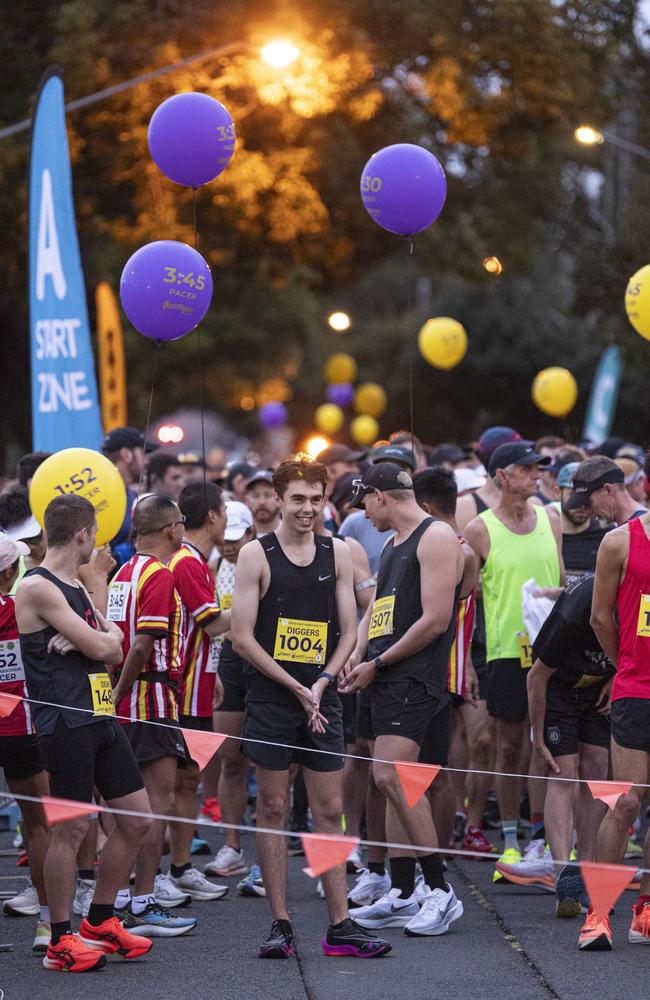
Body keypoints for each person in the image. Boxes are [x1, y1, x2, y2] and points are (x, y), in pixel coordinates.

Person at [232, 457, 390, 959]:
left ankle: (340, 924)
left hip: (322, 696)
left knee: (330, 808)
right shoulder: (255, 555)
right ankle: (280, 923)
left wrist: (322, 682)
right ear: (278, 500)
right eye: (297, 498)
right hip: (273, 695)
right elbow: (240, 637)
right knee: (274, 807)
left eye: (315, 498)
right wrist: (295, 687)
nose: (306, 508)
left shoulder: (338, 551)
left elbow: (349, 630)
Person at [15, 494, 152, 973]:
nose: (97, 539)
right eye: (94, 531)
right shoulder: (37, 586)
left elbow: (114, 640)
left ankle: (100, 920)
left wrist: (91, 638)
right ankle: (59, 940)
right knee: (72, 830)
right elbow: (106, 644)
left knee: (137, 819)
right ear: (81, 533)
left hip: (99, 716)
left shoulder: (74, 581)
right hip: (64, 723)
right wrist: (92, 638)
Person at [340, 462, 465, 937]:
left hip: (412, 677)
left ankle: (440, 891)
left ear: (379, 496)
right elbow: (376, 610)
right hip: (383, 676)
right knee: (391, 783)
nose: (364, 516)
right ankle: (403, 889)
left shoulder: (435, 537)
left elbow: (435, 620)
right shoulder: (393, 544)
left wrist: (379, 663)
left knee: (390, 776)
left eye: (365, 504)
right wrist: (355, 656)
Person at [464, 442, 565, 880]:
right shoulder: (479, 528)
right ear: (501, 475)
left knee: (550, 748)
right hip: (507, 651)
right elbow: (465, 601)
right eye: (526, 469)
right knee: (509, 748)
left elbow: (561, 581)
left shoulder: (552, 517)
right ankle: (508, 840)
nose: (536, 475)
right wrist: (467, 662)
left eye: (538, 468)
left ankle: (541, 837)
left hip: (554, 649)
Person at [108, 494, 197, 937]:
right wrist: (120, 694)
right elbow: (142, 646)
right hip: (150, 702)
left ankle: (121, 900)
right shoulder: (159, 574)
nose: (184, 529)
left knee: (124, 807)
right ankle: (142, 902)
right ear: (172, 530)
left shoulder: (122, 572)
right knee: (154, 805)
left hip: (127, 703)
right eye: (182, 522)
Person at [577, 501, 650, 950]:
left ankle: (645, 911)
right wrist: (626, 660)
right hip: (635, 689)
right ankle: (598, 913)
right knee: (625, 801)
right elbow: (599, 616)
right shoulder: (619, 541)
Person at [516, 573, 612, 914]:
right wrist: (538, 736)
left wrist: (615, 678)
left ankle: (586, 870)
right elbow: (535, 677)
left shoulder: (636, 601)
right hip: (557, 686)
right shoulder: (575, 613)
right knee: (563, 769)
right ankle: (563, 876)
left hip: (596, 688)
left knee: (597, 768)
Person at [167, 482, 231, 900]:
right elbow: (212, 623)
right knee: (173, 783)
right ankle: (162, 875)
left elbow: (201, 632)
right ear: (211, 516)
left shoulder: (195, 560)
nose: (226, 519)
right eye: (224, 511)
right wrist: (257, 599)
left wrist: (215, 673)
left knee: (188, 780)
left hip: (199, 687)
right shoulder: (188, 562)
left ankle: (179, 867)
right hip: (182, 692)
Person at [412, 467, 479, 853]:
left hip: (440, 672)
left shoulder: (459, 551)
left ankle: (434, 863)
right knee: (413, 773)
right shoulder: (435, 544)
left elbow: (434, 615)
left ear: (423, 506)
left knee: (435, 776)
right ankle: (416, 864)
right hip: (424, 671)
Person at [0, 536, 51, 951]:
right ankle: (49, 925)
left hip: (19, 726)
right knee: (39, 824)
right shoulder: (24, 610)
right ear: (8, 572)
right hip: (20, 727)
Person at [205, 502, 259, 885]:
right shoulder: (214, 564)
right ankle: (232, 846)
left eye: (235, 539)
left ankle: (266, 858)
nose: (228, 546)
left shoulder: (265, 560)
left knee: (274, 765)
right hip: (228, 661)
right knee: (230, 759)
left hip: (265, 663)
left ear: (251, 534)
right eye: (224, 539)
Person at [102, 426, 158, 565]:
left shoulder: (133, 496)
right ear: (127, 454)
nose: (147, 461)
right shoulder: (99, 497)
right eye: (144, 453)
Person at [565, 455, 646, 526]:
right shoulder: (626, 528)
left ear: (607, 490)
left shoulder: (643, 528)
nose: (587, 512)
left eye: (588, 503)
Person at [245, 470, 281, 536]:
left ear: (279, 498)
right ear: (247, 500)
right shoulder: (240, 539)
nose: (262, 502)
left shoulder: (293, 534)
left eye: (268, 495)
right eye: (255, 496)